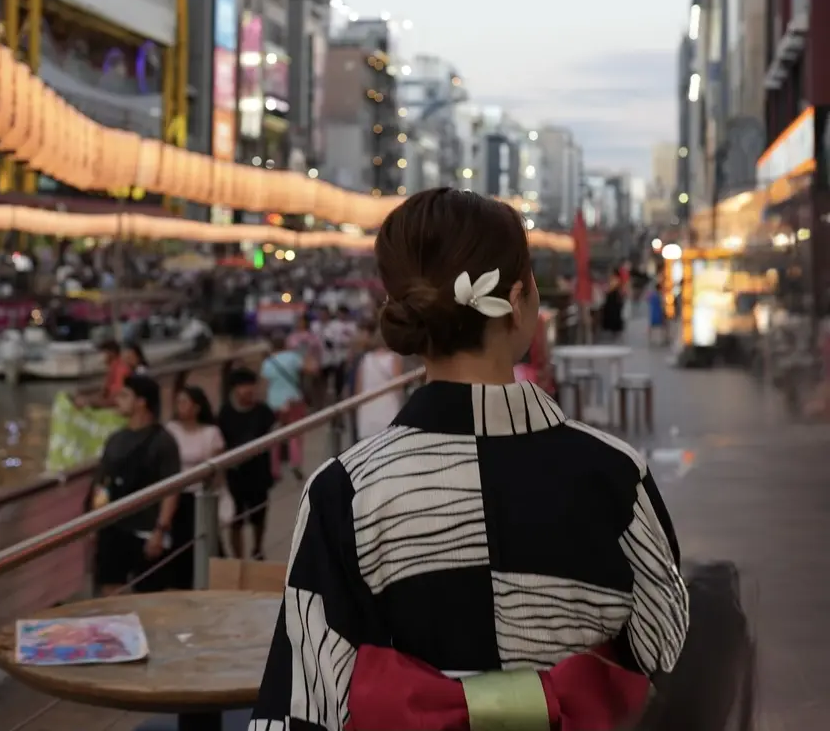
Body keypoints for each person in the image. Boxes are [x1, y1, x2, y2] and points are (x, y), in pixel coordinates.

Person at [251, 187, 689, 731]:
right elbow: (663, 645)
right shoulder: (616, 473)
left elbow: (307, 700)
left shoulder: (344, 490)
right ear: (520, 299)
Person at [90, 374, 182, 596]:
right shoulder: (115, 438)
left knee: (149, 592)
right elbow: (103, 483)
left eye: (124, 395)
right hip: (113, 525)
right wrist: (95, 521)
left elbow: (171, 489)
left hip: (146, 528)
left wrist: (160, 530)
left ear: (141, 402)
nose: (117, 400)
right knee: (110, 586)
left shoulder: (163, 441)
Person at [164, 385, 225, 589]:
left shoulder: (211, 433)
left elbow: (216, 470)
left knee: (204, 542)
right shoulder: (171, 430)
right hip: (175, 496)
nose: (179, 406)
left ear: (197, 407)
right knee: (176, 548)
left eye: (184, 402)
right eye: (178, 402)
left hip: (199, 496)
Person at [217, 368, 276, 560]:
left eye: (252, 386)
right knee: (236, 519)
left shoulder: (264, 411)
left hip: (259, 472)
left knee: (259, 516)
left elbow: (275, 439)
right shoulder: (225, 413)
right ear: (235, 389)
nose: (249, 390)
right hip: (235, 475)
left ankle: (258, 548)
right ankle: (238, 558)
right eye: (244, 386)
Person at [259, 333, 307, 480]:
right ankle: (295, 462)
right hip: (293, 399)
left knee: (275, 436)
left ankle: (275, 469)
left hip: (274, 402)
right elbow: (307, 369)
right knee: (295, 434)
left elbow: (264, 384)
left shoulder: (267, 362)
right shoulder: (293, 357)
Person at [353, 330, 403, 439]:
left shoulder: (366, 359)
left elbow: (358, 387)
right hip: (388, 405)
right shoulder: (394, 359)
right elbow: (398, 386)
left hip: (367, 405)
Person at [601, 269, 626, 342]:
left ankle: (614, 329)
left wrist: (608, 290)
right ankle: (613, 329)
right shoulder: (614, 280)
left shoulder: (615, 280)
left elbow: (612, 288)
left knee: (614, 315)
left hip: (614, 299)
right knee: (613, 315)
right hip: (613, 299)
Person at [648, 280, 666, 346]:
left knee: (653, 326)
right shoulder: (659, 296)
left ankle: (651, 339)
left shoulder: (653, 295)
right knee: (660, 327)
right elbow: (662, 305)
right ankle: (660, 339)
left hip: (653, 312)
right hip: (658, 312)